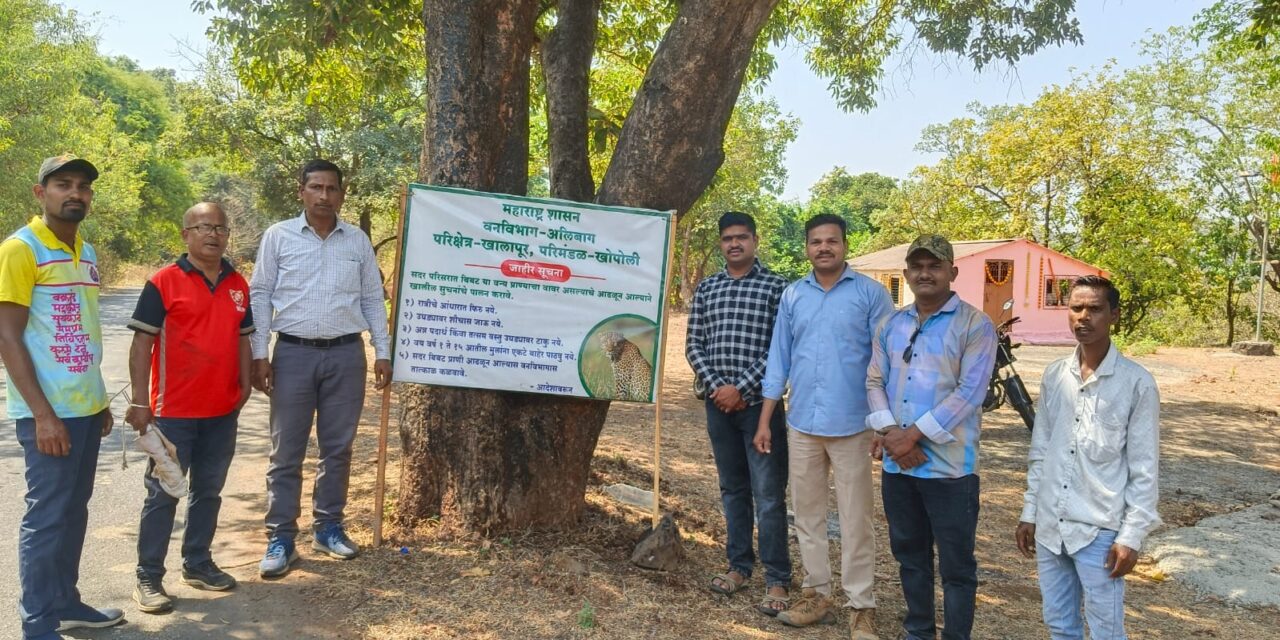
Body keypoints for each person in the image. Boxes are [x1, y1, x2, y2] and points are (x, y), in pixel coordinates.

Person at [0, 155, 124, 639]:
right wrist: (43, 416)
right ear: (40, 193)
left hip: (86, 408)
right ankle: (37, 624)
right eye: (63, 184)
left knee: (74, 510)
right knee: (47, 517)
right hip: (47, 413)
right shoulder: (20, 249)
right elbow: (8, 338)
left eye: (84, 186)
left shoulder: (86, 251)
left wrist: (99, 399)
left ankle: (66, 603)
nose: (75, 193)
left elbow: (79, 332)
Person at [753, 213, 893, 638]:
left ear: (845, 245)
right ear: (807, 248)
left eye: (832, 241)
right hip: (802, 423)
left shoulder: (871, 295)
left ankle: (860, 605)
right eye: (816, 242)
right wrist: (765, 420)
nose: (824, 248)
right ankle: (817, 594)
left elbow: (886, 362)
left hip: (853, 425)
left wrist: (885, 427)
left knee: (856, 519)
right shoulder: (794, 295)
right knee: (808, 516)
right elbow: (779, 358)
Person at [250, 159, 391, 578]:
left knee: (337, 448)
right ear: (302, 192)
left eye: (332, 188)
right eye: (316, 187)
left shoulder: (358, 241)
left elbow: (371, 298)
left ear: (341, 194)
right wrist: (260, 354)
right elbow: (260, 295)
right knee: (286, 451)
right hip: (292, 354)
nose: (324, 196)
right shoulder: (278, 237)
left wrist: (381, 351)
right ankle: (281, 537)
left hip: (347, 356)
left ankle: (328, 526)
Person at [866, 234, 996, 640]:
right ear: (906, 273)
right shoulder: (891, 323)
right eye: (917, 266)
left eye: (934, 265)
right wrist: (890, 433)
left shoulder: (975, 325)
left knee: (957, 567)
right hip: (899, 467)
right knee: (909, 556)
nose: (925, 273)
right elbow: (873, 380)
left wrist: (912, 437)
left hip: (950, 470)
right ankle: (918, 630)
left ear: (952, 272)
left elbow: (970, 393)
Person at [125, 202, 254, 613]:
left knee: (209, 491)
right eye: (203, 227)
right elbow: (142, 343)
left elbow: (243, 338)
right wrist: (140, 401)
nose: (213, 235)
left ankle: (197, 563)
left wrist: (245, 384)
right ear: (186, 234)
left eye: (220, 228)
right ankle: (148, 577)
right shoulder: (162, 282)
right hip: (172, 413)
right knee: (164, 493)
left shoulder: (238, 283)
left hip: (222, 411)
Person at [1016, 275, 1160, 640]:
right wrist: (1030, 512)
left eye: (1095, 309)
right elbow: (1042, 449)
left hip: (1099, 529)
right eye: (1076, 308)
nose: (1083, 317)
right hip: (1051, 525)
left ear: (1114, 315)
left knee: (1106, 630)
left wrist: (1131, 536)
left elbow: (1144, 468)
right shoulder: (1055, 375)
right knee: (1060, 625)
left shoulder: (1136, 383)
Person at [685, 211, 791, 615]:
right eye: (727, 238)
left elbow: (779, 350)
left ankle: (778, 578)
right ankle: (739, 566)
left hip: (759, 408)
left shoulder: (776, 288)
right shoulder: (707, 288)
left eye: (741, 237)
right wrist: (718, 388)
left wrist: (740, 389)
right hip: (718, 406)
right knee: (732, 489)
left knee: (768, 494)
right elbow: (694, 344)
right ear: (720, 243)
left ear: (755, 240)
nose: (734, 244)